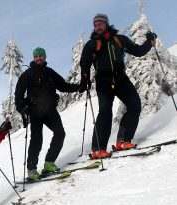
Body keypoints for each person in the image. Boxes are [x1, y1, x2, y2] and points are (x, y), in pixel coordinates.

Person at [79, 13, 157, 159]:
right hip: (103, 82)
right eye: (95, 25)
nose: (98, 27)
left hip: (121, 79)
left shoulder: (119, 39)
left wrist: (149, 42)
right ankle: (98, 149)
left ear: (106, 24)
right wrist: (85, 79)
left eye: (100, 24)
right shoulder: (92, 44)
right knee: (105, 112)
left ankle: (123, 141)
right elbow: (85, 63)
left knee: (135, 105)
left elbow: (138, 51)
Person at [15, 47, 80, 180]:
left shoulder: (50, 72)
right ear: (33, 58)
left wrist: (80, 86)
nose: (39, 58)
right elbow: (18, 94)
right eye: (36, 56)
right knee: (37, 140)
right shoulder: (28, 74)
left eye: (41, 56)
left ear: (45, 57)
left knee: (60, 133)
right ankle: (32, 170)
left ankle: (49, 163)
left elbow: (63, 86)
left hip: (50, 110)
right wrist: (22, 108)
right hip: (35, 111)